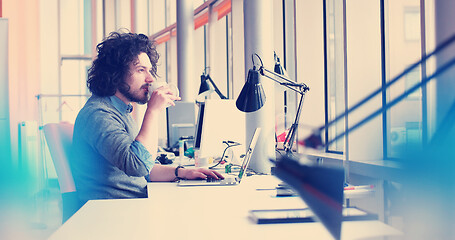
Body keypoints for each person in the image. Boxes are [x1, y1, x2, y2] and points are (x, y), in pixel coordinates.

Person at [72, 30, 223, 203]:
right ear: (115, 74)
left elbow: (146, 167)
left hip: (131, 204)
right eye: (140, 70)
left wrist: (181, 172)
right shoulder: (98, 114)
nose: (150, 78)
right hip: (115, 212)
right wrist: (153, 111)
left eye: (149, 70)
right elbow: (138, 165)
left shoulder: (121, 112)